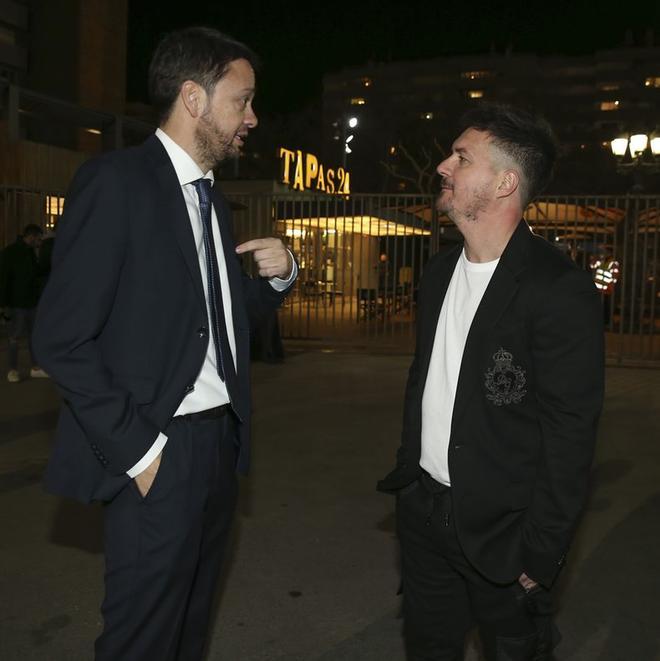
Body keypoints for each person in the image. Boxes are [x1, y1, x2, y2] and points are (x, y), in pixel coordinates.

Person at [33, 26, 297, 661]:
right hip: (158, 449)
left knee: (188, 632)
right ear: (194, 98)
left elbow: (210, 325)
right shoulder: (116, 183)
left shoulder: (213, 200)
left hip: (217, 447)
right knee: (141, 641)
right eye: (244, 100)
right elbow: (60, 338)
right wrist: (142, 453)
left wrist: (280, 278)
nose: (253, 118)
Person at [377, 104, 604, 661]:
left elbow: (570, 435)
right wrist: (411, 482)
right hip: (423, 517)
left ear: (505, 182)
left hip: (504, 536)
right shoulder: (437, 273)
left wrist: (540, 555)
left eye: (461, 158)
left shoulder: (558, 290)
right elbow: (424, 382)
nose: (442, 168)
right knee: (428, 649)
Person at [0, 223, 48, 382]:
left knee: (27, 336)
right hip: (17, 303)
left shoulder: (27, 252)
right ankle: (13, 370)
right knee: (15, 337)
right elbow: (4, 279)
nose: (40, 242)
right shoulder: (12, 253)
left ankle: (31, 368)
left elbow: (35, 274)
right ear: (32, 237)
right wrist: (4, 305)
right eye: (39, 239)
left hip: (28, 302)